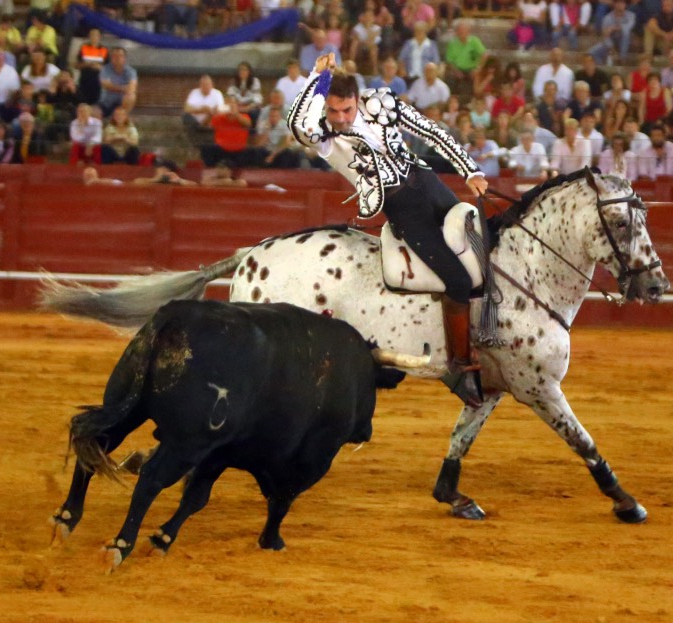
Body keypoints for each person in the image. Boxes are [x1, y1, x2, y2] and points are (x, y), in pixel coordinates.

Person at [287, 52, 489, 407]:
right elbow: (296, 122)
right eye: (333, 111)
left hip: (427, 182)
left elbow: (429, 130)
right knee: (456, 280)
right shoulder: (324, 135)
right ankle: (460, 367)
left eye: (346, 110)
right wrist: (316, 77)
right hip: (403, 208)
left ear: (357, 99)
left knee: (483, 242)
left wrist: (469, 169)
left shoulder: (380, 101)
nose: (340, 119)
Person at [201, 95, 253, 167]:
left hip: (239, 149)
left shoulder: (243, 116)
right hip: (221, 148)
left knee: (250, 152)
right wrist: (210, 115)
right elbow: (204, 125)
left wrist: (236, 114)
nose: (230, 106)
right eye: (227, 104)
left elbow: (248, 124)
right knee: (206, 147)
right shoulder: (219, 117)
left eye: (232, 104)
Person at [588, 0, 633, 65]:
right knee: (591, 53)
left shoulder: (631, 15)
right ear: (614, 4)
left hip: (624, 43)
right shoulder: (607, 18)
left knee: (625, 33)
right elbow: (605, 34)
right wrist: (611, 47)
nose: (620, 5)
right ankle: (602, 66)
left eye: (622, 3)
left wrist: (612, 28)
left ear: (625, 5)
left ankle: (623, 58)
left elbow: (627, 28)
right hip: (611, 43)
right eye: (618, 3)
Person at [98, 47, 137, 117]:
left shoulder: (131, 71)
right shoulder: (105, 69)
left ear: (124, 58)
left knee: (131, 96)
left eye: (120, 56)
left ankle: (123, 119)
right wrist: (123, 88)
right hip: (106, 103)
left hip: (122, 104)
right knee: (93, 112)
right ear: (111, 58)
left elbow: (132, 89)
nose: (117, 58)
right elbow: (105, 85)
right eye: (114, 56)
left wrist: (113, 87)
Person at [75, 28, 108, 105]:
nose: (92, 37)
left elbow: (108, 68)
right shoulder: (83, 48)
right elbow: (77, 65)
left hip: (98, 81)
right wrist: (86, 64)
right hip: (84, 80)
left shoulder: (104, 50)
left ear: (99, 37)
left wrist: (99, 67)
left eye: (95, 35)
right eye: (91, 35)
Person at [227, 61, 263, 126]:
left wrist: (248, 108)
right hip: (237, 107)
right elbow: (231, 97)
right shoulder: (233, 82)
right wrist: (237, 107)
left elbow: (257, 99)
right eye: (240, 69)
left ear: (249, 71)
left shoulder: (255, 81)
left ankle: (252, 133)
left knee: (254, 112)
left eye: (245, 70)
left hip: (250, 107)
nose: (242, 72)